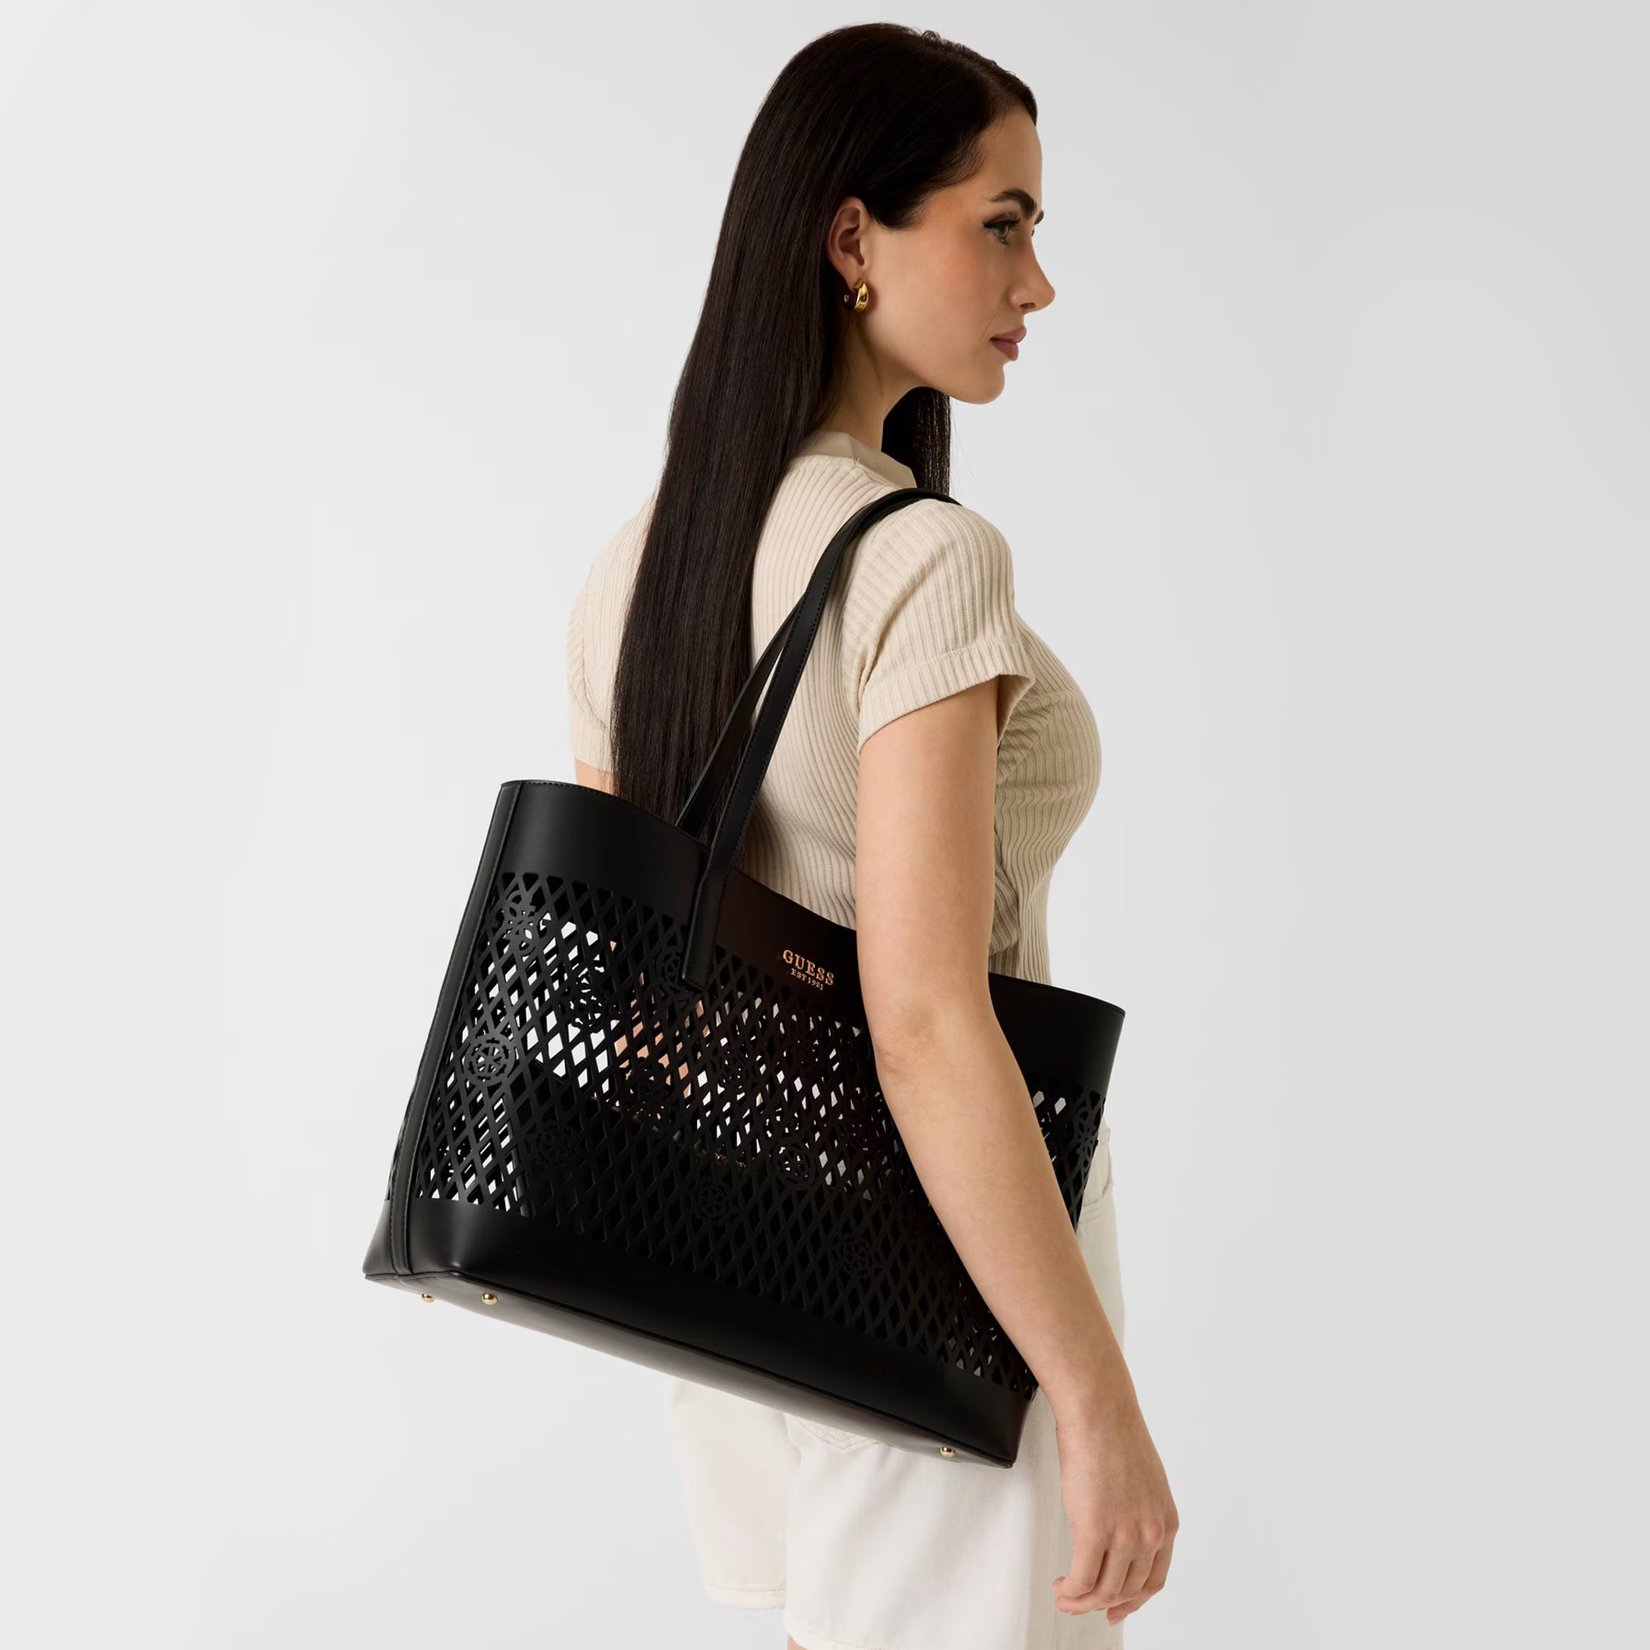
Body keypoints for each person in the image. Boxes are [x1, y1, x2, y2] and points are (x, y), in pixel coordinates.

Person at [564, 23, 1177, 1650]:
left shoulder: (642, 563)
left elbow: (635, 959)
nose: (1037, 282)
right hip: (945, 1265)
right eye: (1001, 223)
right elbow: (920, 1016)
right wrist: (1092, 1394)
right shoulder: (922, 559)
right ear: (853, 239)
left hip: (734, 1254)